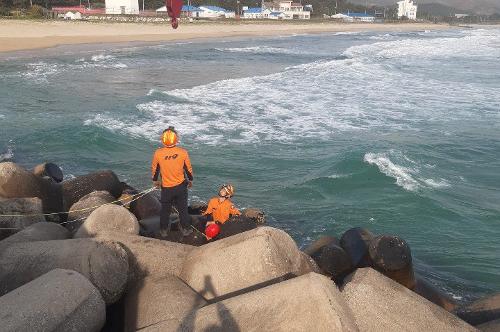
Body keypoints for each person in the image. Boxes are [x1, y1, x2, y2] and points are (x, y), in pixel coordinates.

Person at [151, 126, 193, 237]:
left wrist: (155, 181)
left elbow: (155, 170)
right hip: (181, 187)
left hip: (166, 188)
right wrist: (191, 180)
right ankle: (186, 230)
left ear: (162, 139)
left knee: (165, 211)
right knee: (183, 209)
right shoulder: (183, 152)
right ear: (176, 139)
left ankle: (163, 230)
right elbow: (188, 169)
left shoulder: (158, 153)